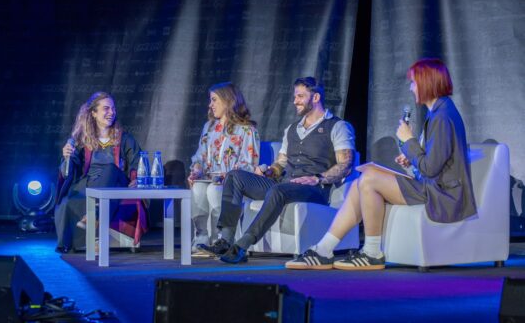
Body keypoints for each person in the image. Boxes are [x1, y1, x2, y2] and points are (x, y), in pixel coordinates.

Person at [286, 58, 477, 271]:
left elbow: (430, 168)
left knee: (368, 179)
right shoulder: (439, 113)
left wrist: (409, 141)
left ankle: (372, 252)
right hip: (432, 187)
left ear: (427, 83)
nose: (411, 87)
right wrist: (410, 153)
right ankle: (324, 249)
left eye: (414, 82)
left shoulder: (442, 116)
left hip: (442, 195)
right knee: (363, 179)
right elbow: (434, 160)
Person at [197, 77, 356, 264]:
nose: (295, 100)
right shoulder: (291, 129)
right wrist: (270, 171)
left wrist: (318, 178)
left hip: (315, 189)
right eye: (295, 96)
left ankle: (241, 247)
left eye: (300, 96)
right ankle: (225, 239)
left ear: (315, 98)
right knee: (235, 177)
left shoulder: (338, 126)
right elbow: (281, 163)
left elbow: (346, 165)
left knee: (278, 190)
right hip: (286, 184)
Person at [54, 91, 148, 253]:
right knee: (69, 201)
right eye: (106, 109)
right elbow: (69, 171)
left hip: (116, 183)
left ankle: (94, 215)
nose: (111, 112)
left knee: (110, 169)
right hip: (89, 183)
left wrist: (137, 179)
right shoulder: (81, 140)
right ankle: (84, 239)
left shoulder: (124, 138)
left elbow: (137, 162)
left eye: (113, 108)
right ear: (94, 113)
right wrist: (67, 157)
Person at [188, 82, 260, 254]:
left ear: (228, 101)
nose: (210, 105)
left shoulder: (247, 130)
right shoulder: (209, 128)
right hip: (211, 179)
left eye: (214, 100)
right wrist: (197, 168)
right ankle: (201, 237)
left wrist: (226, 175)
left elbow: (250, 164)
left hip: (235, 184)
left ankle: (222, 238)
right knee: (198, 187)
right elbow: (199, 156)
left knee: (214, 190)